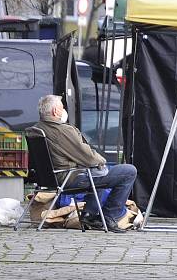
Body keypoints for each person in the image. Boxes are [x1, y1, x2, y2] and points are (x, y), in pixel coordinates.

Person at [34, 95, 137, 233]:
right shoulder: (62, 131)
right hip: (70, 178)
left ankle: (89, 215)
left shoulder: (37, 129)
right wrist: (102, 161)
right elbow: (88, 157)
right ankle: (109, 216)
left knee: (98, 172)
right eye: (62, 107)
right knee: (129, 171)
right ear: (55, 112)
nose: (64, 110)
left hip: (52, 178)